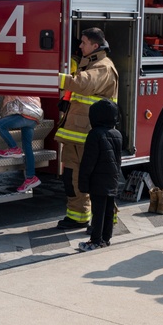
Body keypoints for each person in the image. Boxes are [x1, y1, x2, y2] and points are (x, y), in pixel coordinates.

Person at [56, 27, 119, 229]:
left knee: (95, 179)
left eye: (83, 42)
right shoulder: (88, 64)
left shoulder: (103, 67)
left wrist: (53, 77)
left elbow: (82, 84)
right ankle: (78, 217)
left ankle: (108, 219)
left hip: (90, 134)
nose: (80, 46)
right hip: (76, 133)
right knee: (72, 178)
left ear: (95, 45)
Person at [77, 99, 124, 251]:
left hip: (97, 181)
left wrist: (83, 182)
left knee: (98, 211)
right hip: (112, 179)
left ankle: (95, 240)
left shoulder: (94, 134)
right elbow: (118, 159)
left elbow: (88, 161)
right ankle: (106, 238)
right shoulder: (117, 134)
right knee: (109, 210)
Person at [0, 94, 44, 193]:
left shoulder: (14, 82)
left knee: (0, 125)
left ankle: (13, 148)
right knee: (27, 147)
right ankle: (31, 178)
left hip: (24, 113)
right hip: (35, 115)